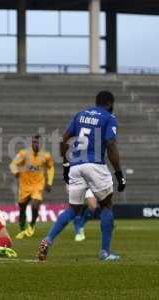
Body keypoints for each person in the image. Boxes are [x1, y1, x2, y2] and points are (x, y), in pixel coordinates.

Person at [37, 91, 126, 262]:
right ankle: (105, 253)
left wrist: (65, 164)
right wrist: (119, 173)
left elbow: (63, 140)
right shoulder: (109, 117)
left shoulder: (80, 115)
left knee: (72, 209)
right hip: (95, 164)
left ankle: (47, 240)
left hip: (76, 165)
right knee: (106, 206)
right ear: (109, 103)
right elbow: (110, 144)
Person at [9, 135, 54, 239]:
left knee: (35, 205)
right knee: (22, 208)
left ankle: (32, 225)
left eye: (38, 142)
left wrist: (50, 182)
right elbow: (12, 164)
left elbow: (51, 168)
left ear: (41, 144)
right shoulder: (23, 154)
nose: (36, 144)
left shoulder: (46, 156)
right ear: (31, 143)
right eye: (34, 142)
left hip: (37, 186)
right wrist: (15, 172)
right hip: (24, 186)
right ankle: (22, 229)